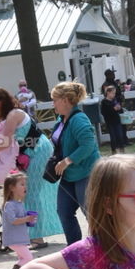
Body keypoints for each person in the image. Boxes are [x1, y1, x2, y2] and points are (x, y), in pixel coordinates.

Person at [0, 86, 62, 247]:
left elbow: (5, 142)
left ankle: (37, 237)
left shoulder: (13, 115)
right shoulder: (12, 115)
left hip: (38, 151)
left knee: (31, 193)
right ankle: (35, 234)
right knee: (31, 193)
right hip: (35, 151)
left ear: (2, 101)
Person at [48, 80, 101, 244]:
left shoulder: (79, 119)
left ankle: (105, 248)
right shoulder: (62, 119)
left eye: (55, 100)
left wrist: (67, 160)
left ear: (65, 100)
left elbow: (88, 144)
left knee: (91, 213)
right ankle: (75, 250)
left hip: (86, 173)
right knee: (64, 212)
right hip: (69, 175)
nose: (53, 104)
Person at [0, 172, 36, 269]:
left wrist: (28, 219)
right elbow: (13, 221)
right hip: (14, 238)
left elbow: (19, 220)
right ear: (12, 188)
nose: (25, 187)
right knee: (28, 258)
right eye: (21, 184)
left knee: (23, 260)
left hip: (19, 238)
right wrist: (26, 219)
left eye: (25, 184)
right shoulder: (9, 205)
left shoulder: (19, 204)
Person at [100, 83, 127, 154]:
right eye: (112, 93)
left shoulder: (115, 100)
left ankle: (122, 151)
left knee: (120, 136)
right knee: (113, 137)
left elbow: (120, 110)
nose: (114, 95)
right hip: (110, 122)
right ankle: (114, 152)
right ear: (108, 93)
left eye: (114, 93)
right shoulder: (104, 102)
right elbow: (104, 112)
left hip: (117, 121)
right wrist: (114, 109)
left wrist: (119, 108)